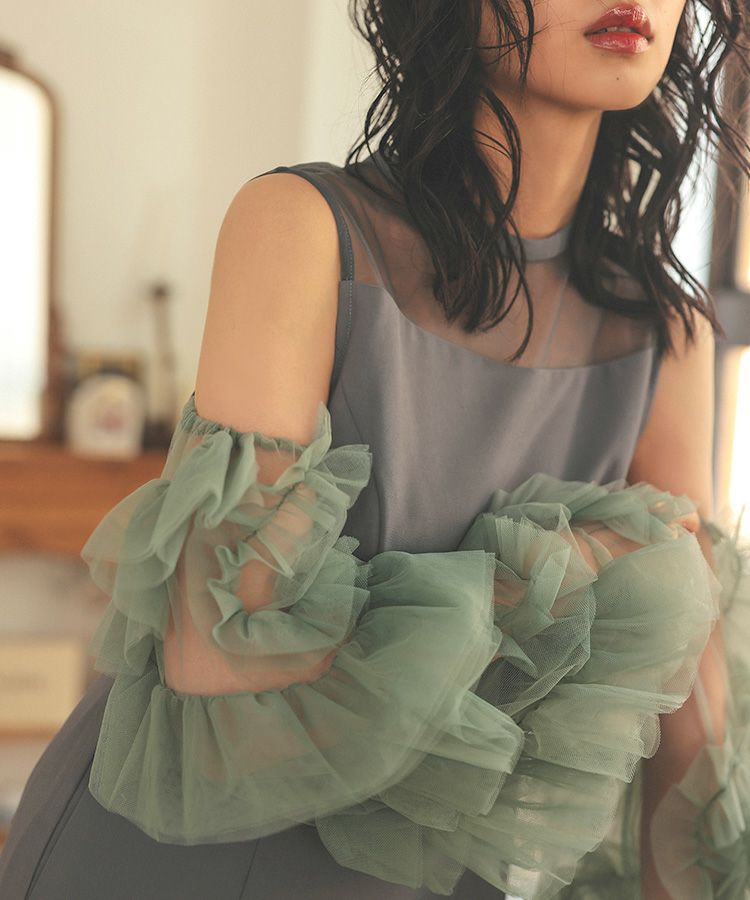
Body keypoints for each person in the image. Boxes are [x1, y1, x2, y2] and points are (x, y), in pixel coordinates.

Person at [2, 0, 750, 897]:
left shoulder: (665, 332)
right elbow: (224, 664)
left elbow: (691, 739)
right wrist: (571, 572)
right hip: (190, 854)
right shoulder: (302, 225)